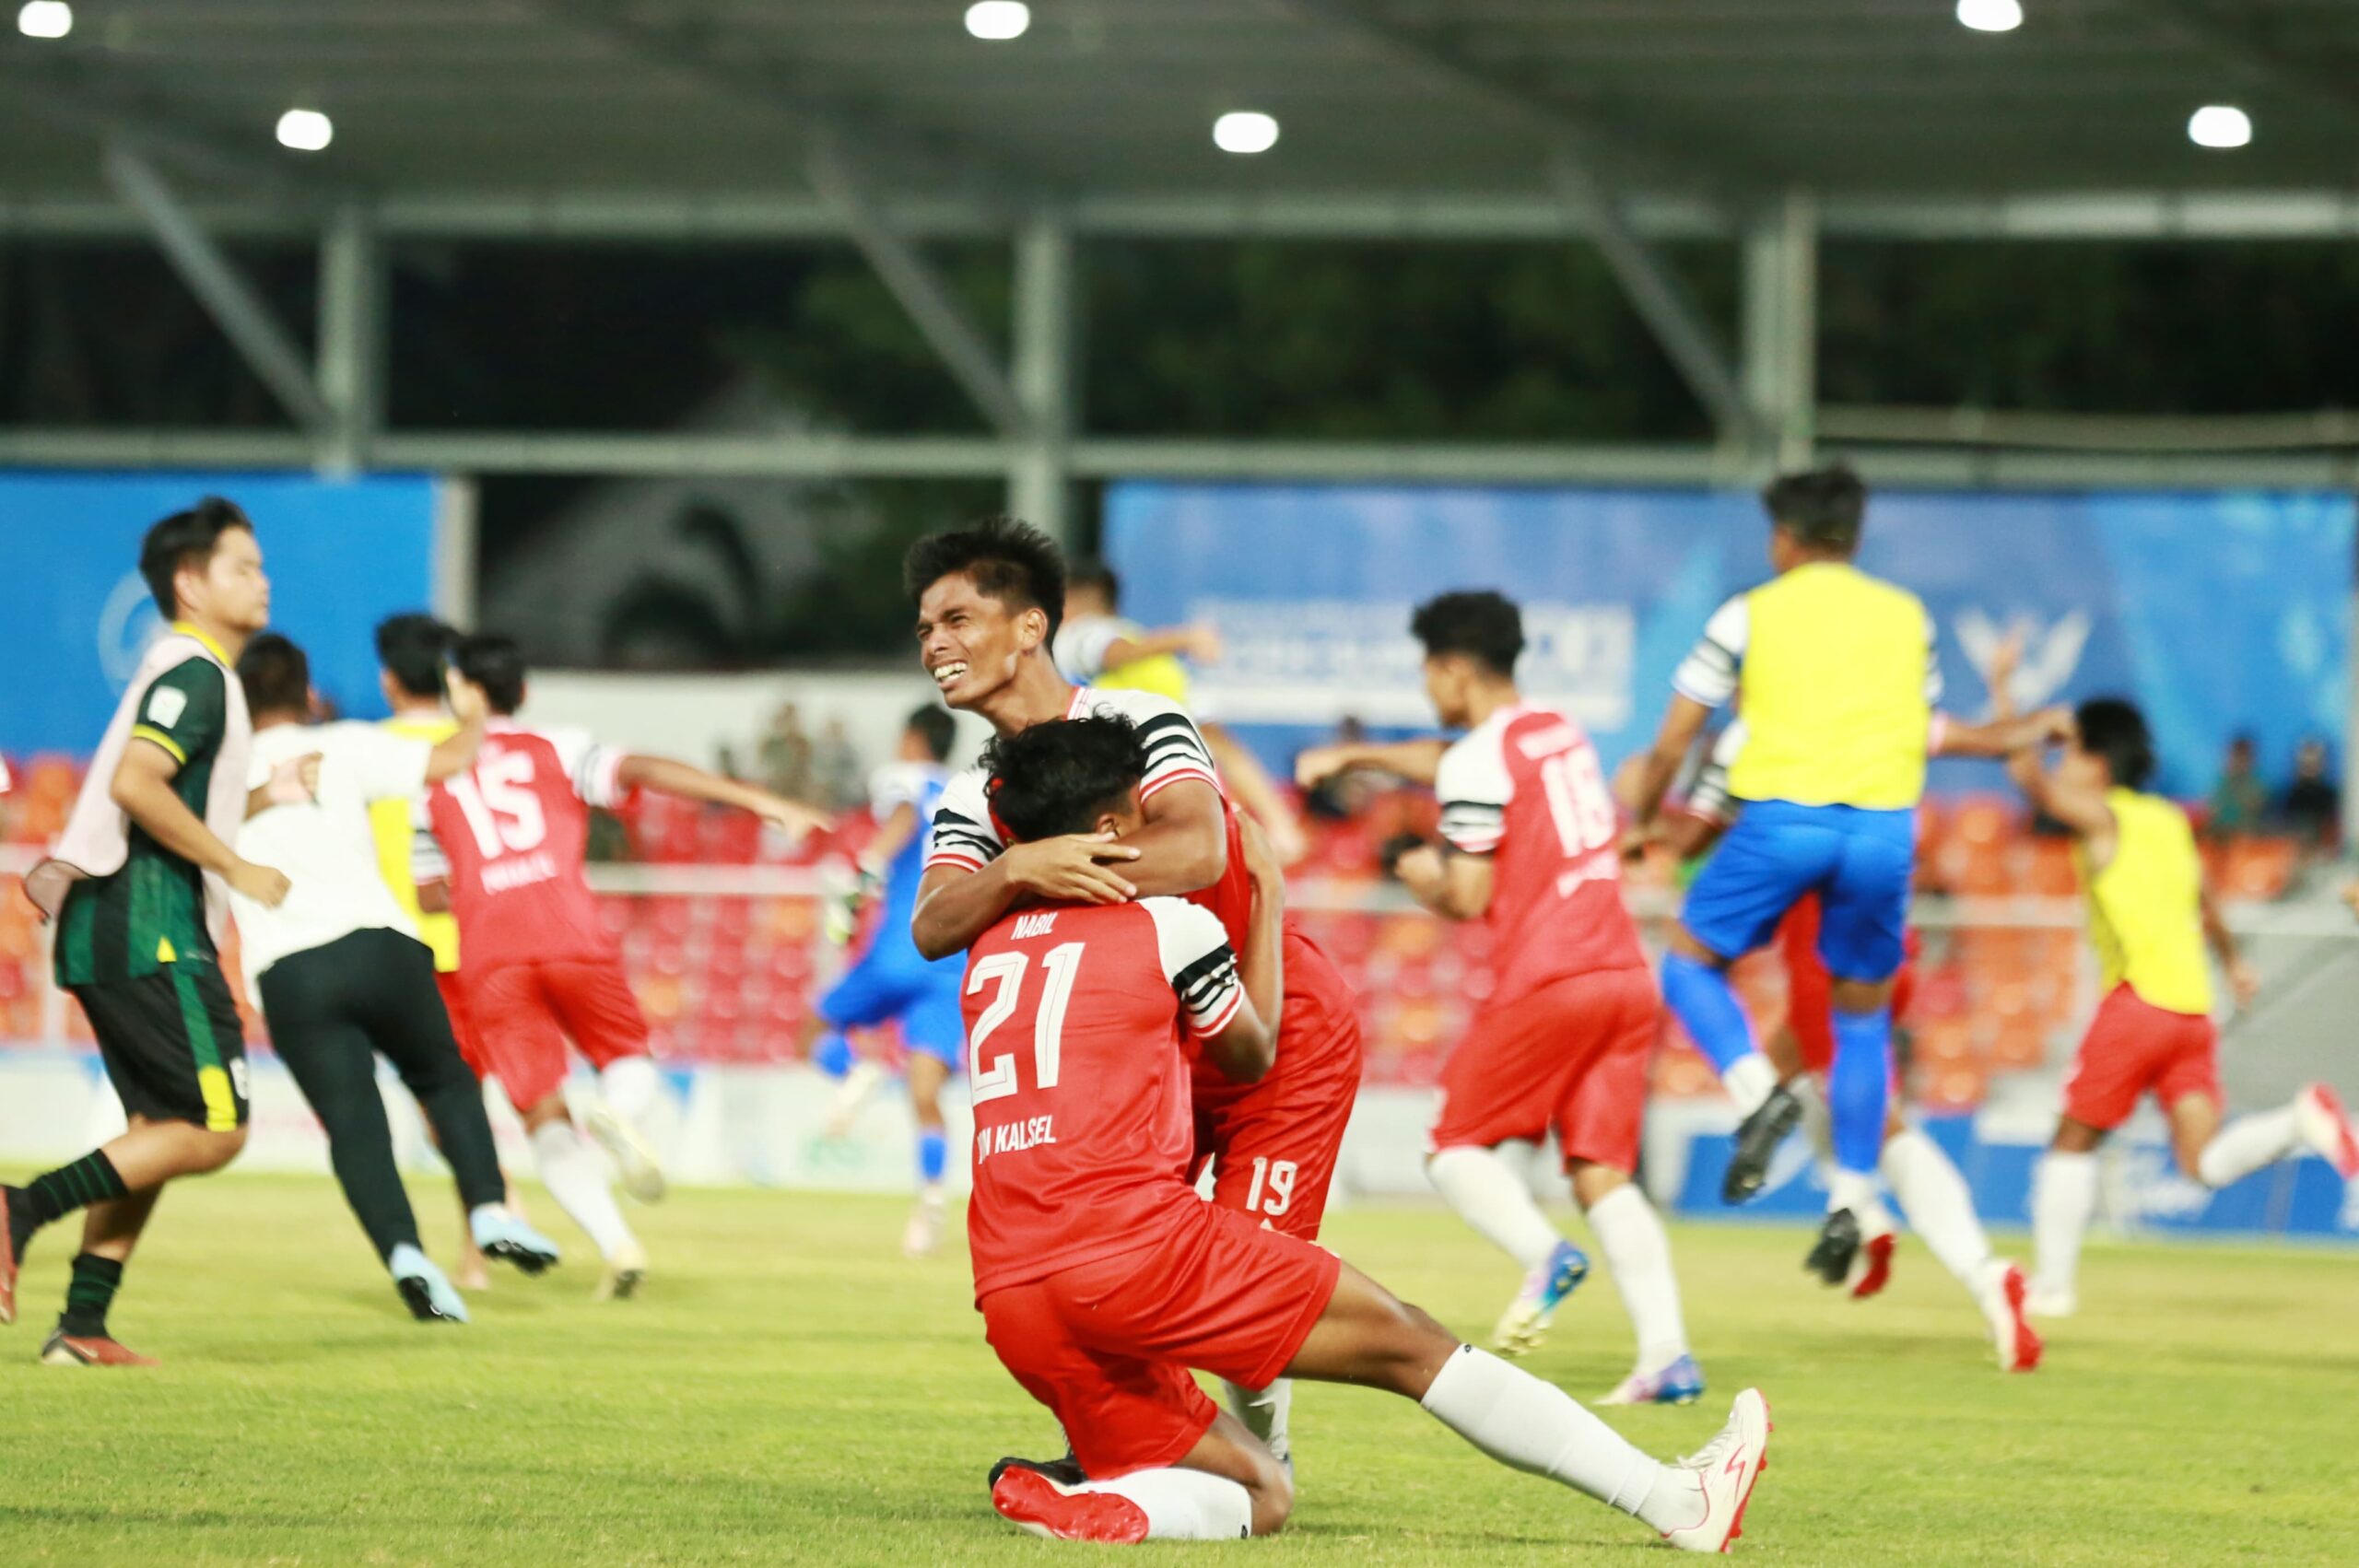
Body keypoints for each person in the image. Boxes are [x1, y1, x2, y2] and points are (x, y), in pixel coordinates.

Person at [966, 715, 1771, 1550]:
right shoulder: (1172, 925)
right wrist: (1268, 903)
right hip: (1132, 1249)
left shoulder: (988, 943)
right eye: (1146, 810)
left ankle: (1113, 1511)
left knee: (1259, 1491)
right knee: (1413, 1347)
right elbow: (1251, 1055)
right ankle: (1677, 1501)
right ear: (1109, 829)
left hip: (1012, 1286)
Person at [908, 518, 1364, 1476]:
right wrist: (1028, 863)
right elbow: (935, 922)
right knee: (1102, 1262)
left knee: (1239, 1294)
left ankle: (1254, 1461)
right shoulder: (971, 795)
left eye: (956, 617)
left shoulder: (1133, 721)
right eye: (923, 629)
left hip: (1271, 1033)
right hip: (1146, 1045)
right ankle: (1151, 1453)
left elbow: (1198, 852)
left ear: (1029, 627)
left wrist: (1023, 874)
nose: (935, 644)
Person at [1295, 591, 1700, 1404]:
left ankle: (1542, 1254)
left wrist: (1424, 878)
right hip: (1622, 971)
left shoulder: (1479, 760)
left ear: (1450, 668)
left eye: (1425, 671)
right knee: (1599, 1172)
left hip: (1550, 975)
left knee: (1454, 1149)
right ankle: (1668, 1359)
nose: (1425, 688)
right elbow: (1449, 756)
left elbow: (1470, 895)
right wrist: (1357, 758)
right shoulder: (1556, 729)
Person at [416, 635, 828, 1299]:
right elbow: (644, 768)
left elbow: (426, 888)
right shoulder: (557, 746)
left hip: (490, 955)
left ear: (461, 689)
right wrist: (757, 800)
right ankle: (617, 1108)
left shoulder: (425, 775)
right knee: (629, 1057)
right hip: (569, 930)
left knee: (542, 1116)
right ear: (521, 692)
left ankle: (618, 1244)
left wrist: (475, 880)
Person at [1621, 463, 1940, 1281]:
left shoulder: (1751, 612)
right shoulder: (1908, 618)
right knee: (1861, 1019)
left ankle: (1758, 1092)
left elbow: (1674, 737)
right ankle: (1853, 1198)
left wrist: (1647, 819)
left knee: (1691, 962)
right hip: (1882, 825)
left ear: (1783, 537)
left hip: (1784, 818)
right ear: (1857, 536)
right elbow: (1927, 728)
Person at [1664, 708, 2046, 1374]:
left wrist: (1680, 790)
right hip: (1885, 943)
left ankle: (1985, 1273)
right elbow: (1975, 738)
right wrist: (2036, 718)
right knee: (1798, 1078)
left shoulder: (1771, 738)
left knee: (1872, 1118)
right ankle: (1863, 1215)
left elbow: (1696, 839)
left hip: (1823, 953)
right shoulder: (1876, 722)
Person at [6, 499, 294, 1365]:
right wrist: (239, 868)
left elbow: (164, 796)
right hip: (150, 922)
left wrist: (255, 804)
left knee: (156, 1131)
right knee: (215, 1127)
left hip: (117, 921)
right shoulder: (195, 671)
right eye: (242, 566)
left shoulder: (193, 672)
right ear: (189, 583)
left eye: (260, 565)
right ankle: (21, 1207)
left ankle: (83, 1326)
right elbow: (138, 783)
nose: (263, 580)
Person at [229, 633, 560, 1321]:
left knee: (354, 1126)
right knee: (444, 1081)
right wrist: (471, 707)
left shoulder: (217, 775)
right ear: (307, 692)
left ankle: (407, 1257)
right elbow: (450, 758)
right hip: (381, 944)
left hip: (289, 968)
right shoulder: (346, 743)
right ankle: (489, 1209)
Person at [2000, 696, 2359, 1317]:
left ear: (2097, 760)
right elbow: (2204, 899)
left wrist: (2023, 720)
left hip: (2137, 1004)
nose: (2063, 763)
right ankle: (2299, 1120)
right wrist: (2233, 964)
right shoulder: (2167, 820)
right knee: (2204, 1165)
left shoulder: (2105, 814)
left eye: (2071, 750)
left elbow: (2029, 781)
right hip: (2191, 1011)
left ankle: (2053, 1289)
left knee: (2072, 1138)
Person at [368, 611, 517, 1291]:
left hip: (402, 950)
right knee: (459, 1103)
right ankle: (486, 1230)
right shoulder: (476, 748)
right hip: (479, 945)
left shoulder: (365, 750)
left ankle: (480, 1243)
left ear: (390, 679)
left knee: (442, 1114)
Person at [801, 704, 970, 1256]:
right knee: (926, 1092)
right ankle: (930, 1206)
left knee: (813, 1027)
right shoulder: (971, 795)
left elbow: (900, 820)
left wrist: (862, 876)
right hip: (950, 963)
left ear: (913, 739)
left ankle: (854, 1070)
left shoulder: (908, 782)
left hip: (899, 948)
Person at [1057, 557, 1309, 867]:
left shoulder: (1079, 632)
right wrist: (1279, 822)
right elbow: (1224, 746)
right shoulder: (1159, 663)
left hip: (1119, 801)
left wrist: (1185, 639)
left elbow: (1113, 652)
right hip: (1168, 806)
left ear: (1069, 600)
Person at [2279, 737, 2338, 848]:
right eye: (2305, 763)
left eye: (2314, 763)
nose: (2310, 767)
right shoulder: (2290, 796)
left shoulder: (2330, 796)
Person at [2204, 733, 2266, 839]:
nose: (2238, 761)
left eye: (2243, 757)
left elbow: (2253, 809)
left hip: (2246, 837)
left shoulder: (2257, 786)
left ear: (2250, 760)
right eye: (2235, 756)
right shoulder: (2221, 783)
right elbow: (2212, 810)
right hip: (2219, 836)